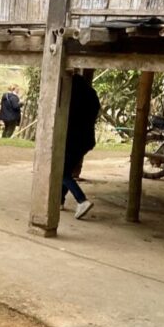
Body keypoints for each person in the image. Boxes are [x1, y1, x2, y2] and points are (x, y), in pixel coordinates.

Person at [62, 74, 101, 220]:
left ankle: (81, 200)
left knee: (61, 172)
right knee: (67, 169)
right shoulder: (92, 94)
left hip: (73, 139)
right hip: (86, 140)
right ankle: (60, 200)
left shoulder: (73, 96)